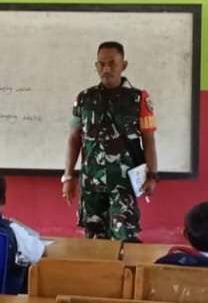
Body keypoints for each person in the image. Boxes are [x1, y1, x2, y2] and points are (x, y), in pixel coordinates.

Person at [62, 41, 157, 241]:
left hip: (123, 184)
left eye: (112, 63)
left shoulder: (139, 99)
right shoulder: (84, 98)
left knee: (124, 241)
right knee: (94, 241)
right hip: (92, 183)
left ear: (124, 65)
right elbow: (74, 139)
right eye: (102, 63)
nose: (106, 69)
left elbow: (149, 140)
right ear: (96, 65)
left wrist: (153, 175)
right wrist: (68, 176)